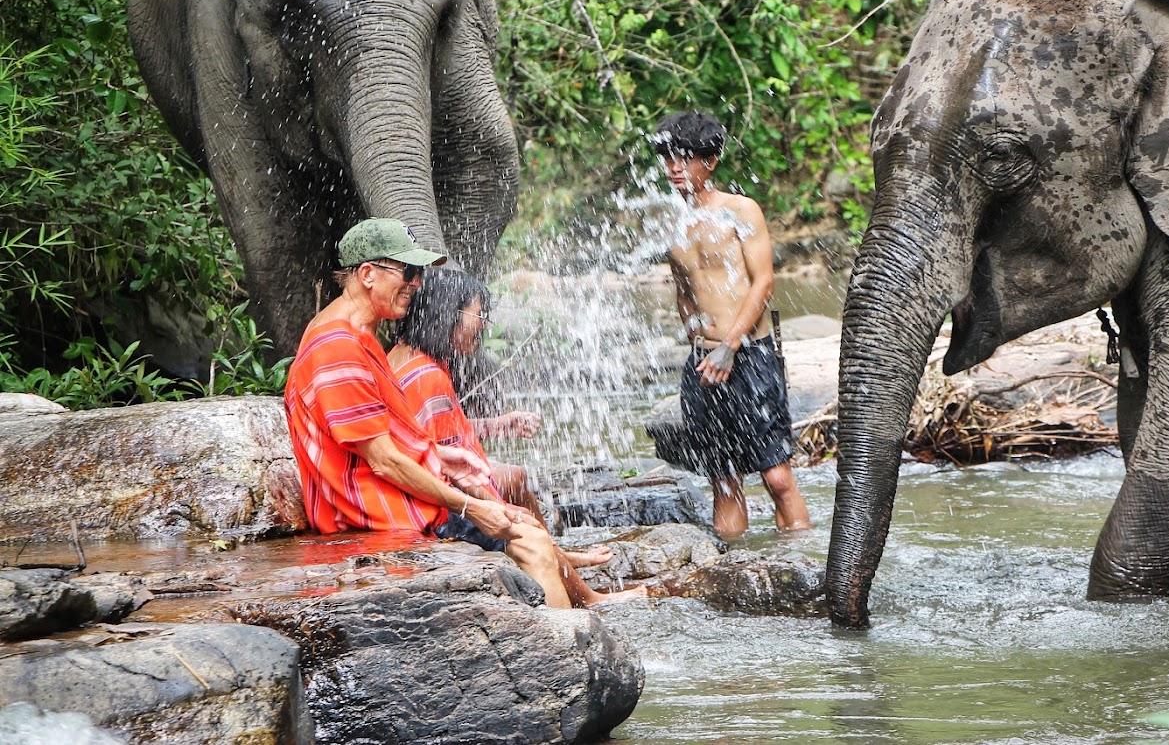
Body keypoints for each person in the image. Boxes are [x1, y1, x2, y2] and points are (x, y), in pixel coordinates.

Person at [284, 217, 571, 608]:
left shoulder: (357, 335)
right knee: (530, 542)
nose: (417, 284)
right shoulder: (337, 348)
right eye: (408, 272)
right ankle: (566, 650)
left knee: (523, 529)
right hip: (375, 515)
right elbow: (383, 462)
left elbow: (379, 441)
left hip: (392, 502)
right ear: (367, 274)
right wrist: (471, 507)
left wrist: (438, 456)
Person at [389, 269, 645, 606]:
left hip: (418, 493)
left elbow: (430, 437)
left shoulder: (403, 357)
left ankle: (559, 557)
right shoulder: (427, 376)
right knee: (527, 525)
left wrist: (496, 425)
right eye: (477, 315)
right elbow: (449, 471)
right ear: (446, 315)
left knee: (515, 481)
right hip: (429, 506)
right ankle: (581, 592)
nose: (482, 325)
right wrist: (498, 511)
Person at [649, 110, 811, 540]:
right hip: (704, 362)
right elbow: (684, 291)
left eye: (685, 158)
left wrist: (730, 345)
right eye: (668, 159)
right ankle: (734, 572)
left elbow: (764, 282)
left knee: (776, 476)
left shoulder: (741, 210)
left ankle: (801, 567)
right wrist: (696, 338)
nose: (674, 168)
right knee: (724, 481)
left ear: (712, 161)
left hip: (750, 357)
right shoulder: (673, 221)